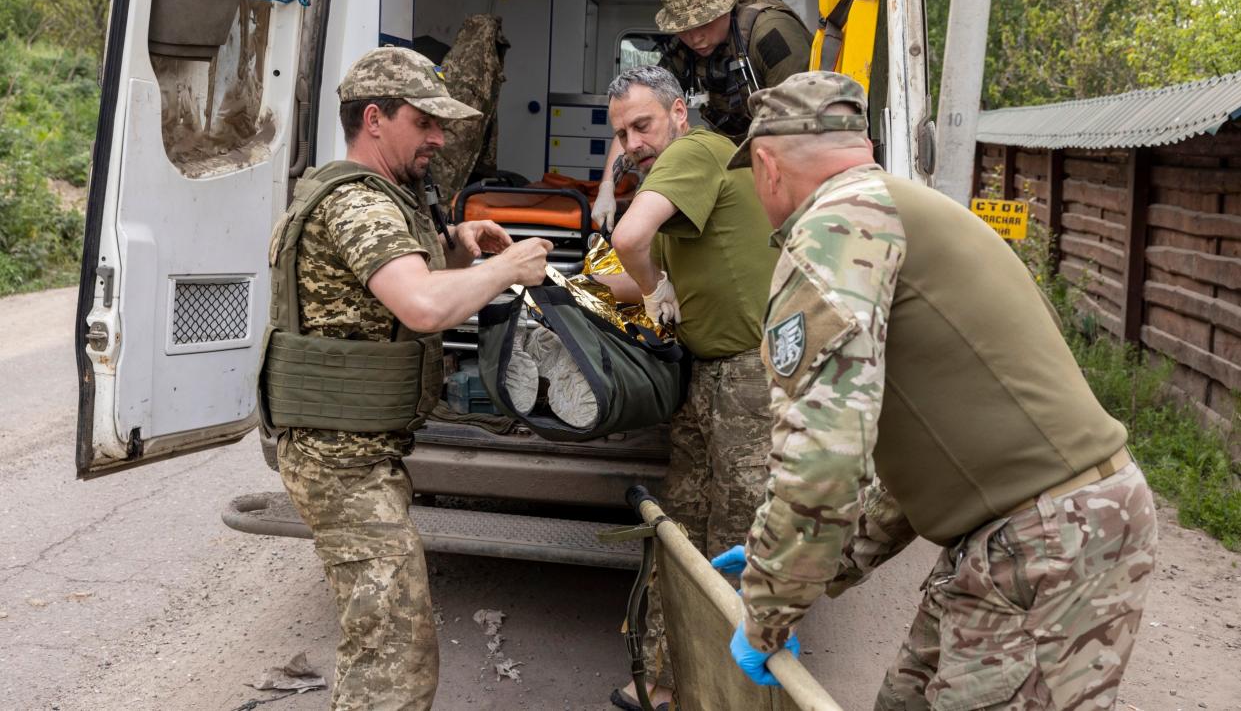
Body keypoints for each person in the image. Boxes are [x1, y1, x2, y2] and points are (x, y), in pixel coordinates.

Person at [713, 71, 1158, 709]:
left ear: (766, 165)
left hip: (1043, 538)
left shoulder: (836, 227)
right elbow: (923, 444)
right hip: (1038, 529)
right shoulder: (899, 206)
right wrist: (815, 564)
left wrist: (766, 609)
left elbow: (823, 458)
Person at [259, 47, 551, 711]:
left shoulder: (388, 198)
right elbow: (419, 304)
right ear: (375, 119)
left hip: (362, 451)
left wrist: (458, 243)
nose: (439, 139)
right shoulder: (358, 205)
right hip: (339, 459)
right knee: (394, 653)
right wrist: (509, 269)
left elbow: (395, 276)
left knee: (388, 639)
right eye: (424, 122)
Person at [593, 65, 778, 710]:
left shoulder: (695, 150)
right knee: (683, 532)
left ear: (678, 113)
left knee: (736, 537)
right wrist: (553, 280)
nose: (633, 144)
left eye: (642, 124)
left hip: (751, 379)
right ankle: (668, 682)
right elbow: (634, 269)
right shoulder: (672, 186)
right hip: (707, 376)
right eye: (620, 134)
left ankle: (732, 695)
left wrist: (646, 283)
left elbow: (631, 244)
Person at [592, 0, 812, 231]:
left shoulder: (770, 33)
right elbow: (634, 109)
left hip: (788, 155)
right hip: (737, 159)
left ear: (724, 8)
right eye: (684, 29)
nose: (695, 38)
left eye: (703, 23)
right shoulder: (684, 54)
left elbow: (803, 125)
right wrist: (606, 187)